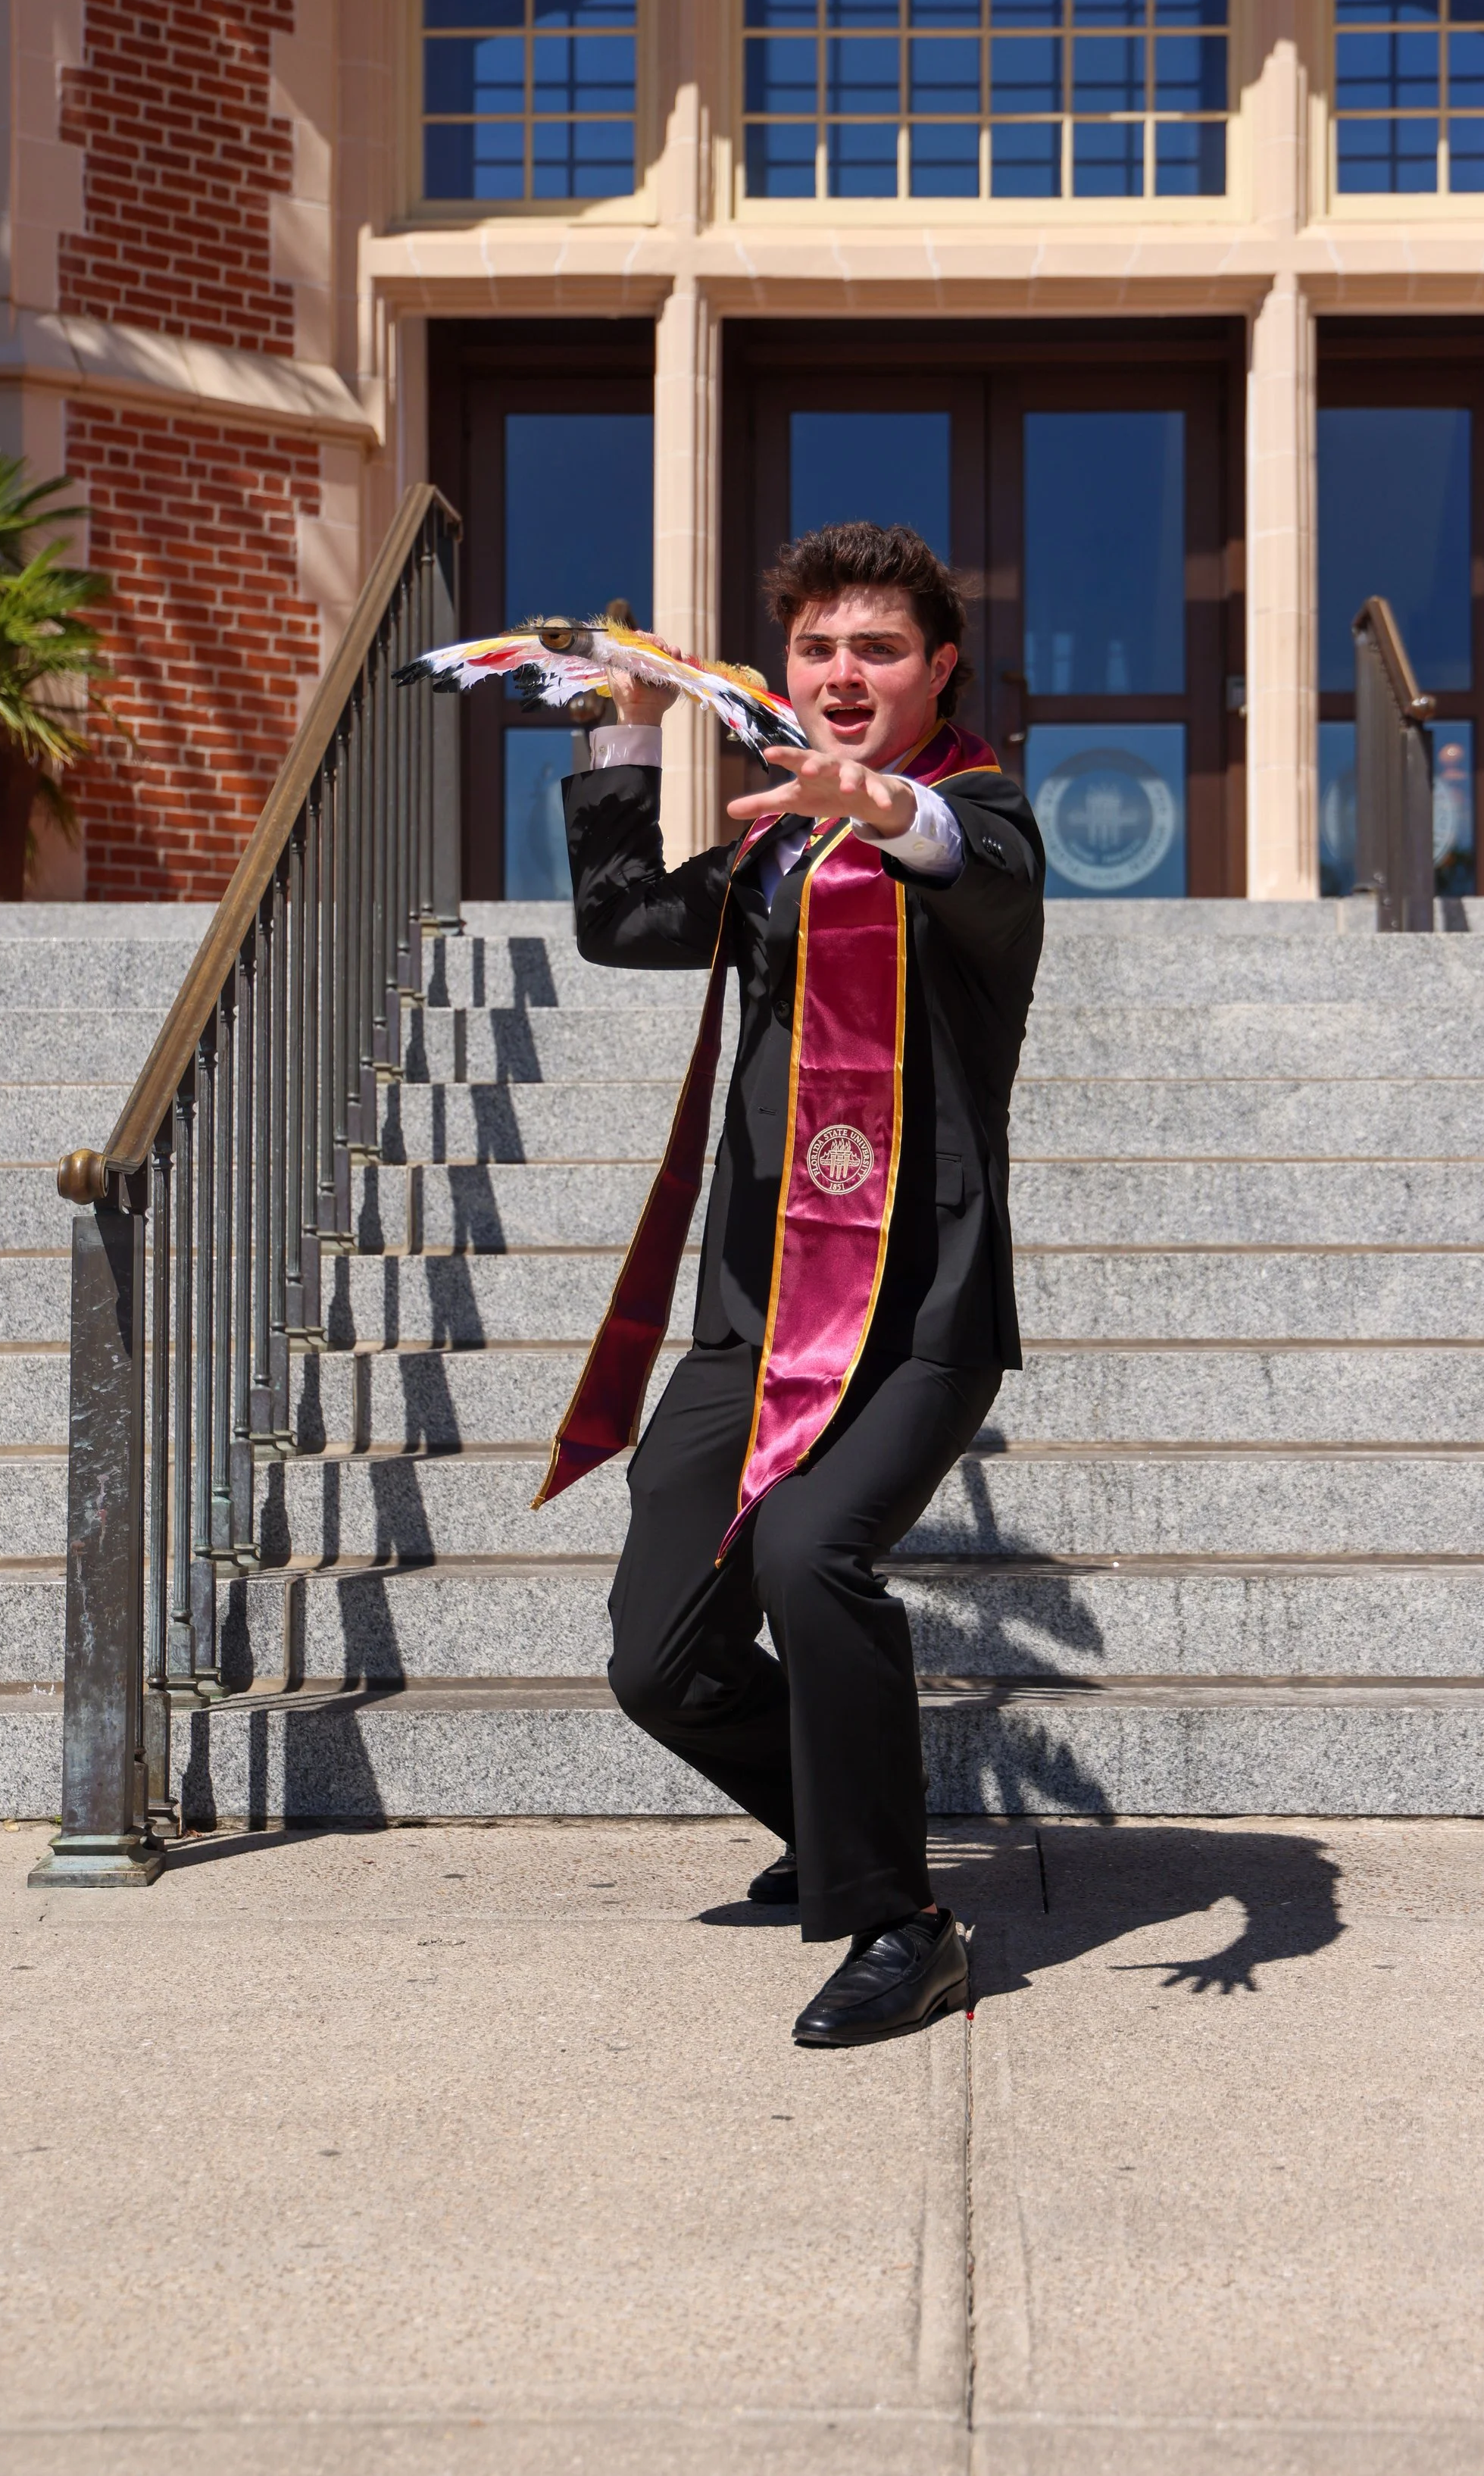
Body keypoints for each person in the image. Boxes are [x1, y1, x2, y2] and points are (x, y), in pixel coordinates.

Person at [557, 521, 1045, 2047]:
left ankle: (900, 1919)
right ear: (787, 667)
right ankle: (838, 1823)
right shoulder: (772, 845)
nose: (845, 674)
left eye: (879, 649)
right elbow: (627, 920)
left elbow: (957, 854)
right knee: (659, 1657)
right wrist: (625, 742)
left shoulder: (973, 809)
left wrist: (880, 804)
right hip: (757, 1312)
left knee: (810, 1554)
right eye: (821, 648)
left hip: (915, 1313)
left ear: (935, 666)